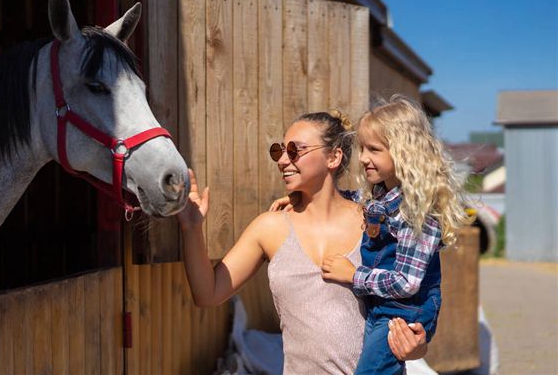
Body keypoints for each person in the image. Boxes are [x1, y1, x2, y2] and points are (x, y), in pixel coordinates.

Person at [176, 110, 429, 374]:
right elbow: (208, 293)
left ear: (333, 157)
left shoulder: (372, 221)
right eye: (279, 151)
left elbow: (412, 304)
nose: (283, 160)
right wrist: (191, 227)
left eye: (295, 150)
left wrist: (417, 345)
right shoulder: (270, 228)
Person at [314, 96, 473, 375]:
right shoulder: (381, 194)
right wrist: (305, 201)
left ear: (403, 153)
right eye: (362, 149)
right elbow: (353, 200)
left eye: (373, 149)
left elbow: (407, 282)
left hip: (404, 311)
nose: (363, 158)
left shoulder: (418, 212)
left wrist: (353, 275)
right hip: (383, 307)